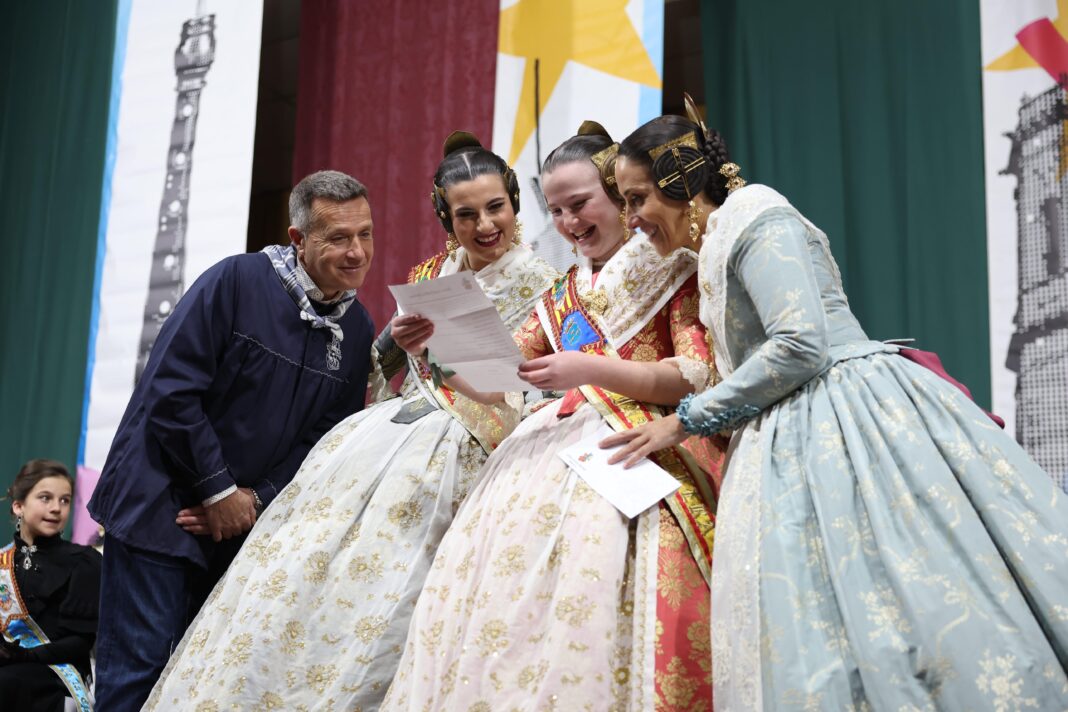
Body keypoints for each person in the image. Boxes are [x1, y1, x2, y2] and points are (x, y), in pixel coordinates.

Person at [604, 108, 1068, 708]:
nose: (631, 218)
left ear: (681, 180)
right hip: (787, 430)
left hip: (843, 414)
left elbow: (801, 344)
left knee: (912, 591)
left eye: (637, 198)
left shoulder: (754, 213)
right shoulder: (714, 243)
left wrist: (685, 419)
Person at [143, 133, 559, 710]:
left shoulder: (549, 285)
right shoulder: (433, 274)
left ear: (515, 203)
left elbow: (547, 387)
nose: (485, 225)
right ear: (446, 218)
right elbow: (378, 367)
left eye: (496, 208)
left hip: (472, 445)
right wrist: (398, 341)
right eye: (467, 214)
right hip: (387, 436)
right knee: (301, 570)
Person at [381, 123, 724, 711]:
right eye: (557, 210)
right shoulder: (563, 290)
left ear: (620, 194)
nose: (569, 223)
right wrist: (433, 353)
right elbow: (502, 383)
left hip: (644, 438)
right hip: (550, 449)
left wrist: (589, 370)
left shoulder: (674, 265)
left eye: (581, 204)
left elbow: (695, 374)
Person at [88, 170, 377, 710]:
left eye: (365, 234)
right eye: (338, 237)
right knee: (137, 676)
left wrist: (252, 501)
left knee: (202, 685)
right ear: (298, 239)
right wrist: (218, 490)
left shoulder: (357, 328)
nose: (357, 251)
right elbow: (171, 392)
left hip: (240, 529)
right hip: (160, 510)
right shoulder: (236, 281)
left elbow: (326, 440)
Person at [0, 459, 101, 712]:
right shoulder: (3, 561)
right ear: (18, 506)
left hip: (58, 672)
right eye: (45, 498)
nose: (56, 508)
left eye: (64, 500)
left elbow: (80, 642)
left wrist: (26, 656)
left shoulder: (83, 562)